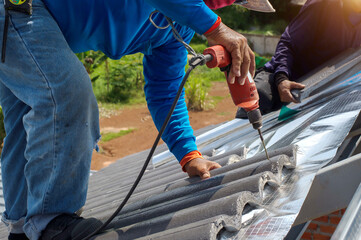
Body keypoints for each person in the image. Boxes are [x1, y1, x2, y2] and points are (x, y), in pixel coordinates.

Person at [0, 0, 272, 239]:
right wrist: (217, 29)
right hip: (20, 8)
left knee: (24, 124)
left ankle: (23, 228)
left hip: (34, 23)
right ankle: (52, 224)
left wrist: (189, 154)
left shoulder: (178, 26)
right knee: (66, 95)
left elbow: (166, 90)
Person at [236, 0, 361, 118]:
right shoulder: (323, 5)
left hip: (326, 89)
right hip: (287, 80)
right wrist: (281, 78)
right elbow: (289, 43)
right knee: (257, 104)